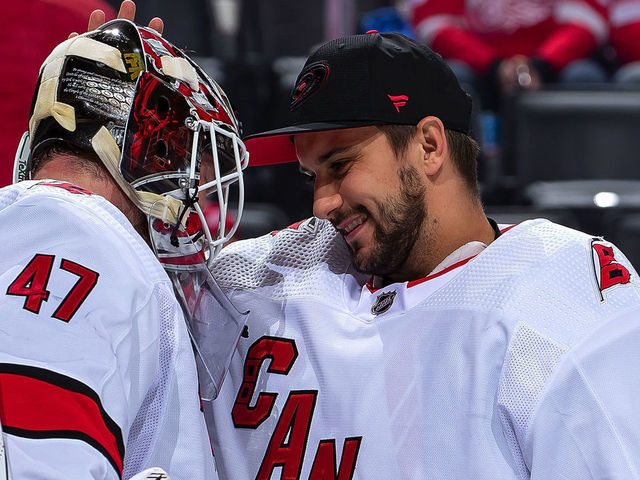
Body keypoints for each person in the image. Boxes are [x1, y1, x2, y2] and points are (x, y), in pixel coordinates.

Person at [202, 31, 640, 478]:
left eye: (340, 166)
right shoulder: (273, 268)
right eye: (312, 175)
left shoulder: (558, 291)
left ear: (429, 146)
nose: (321, 203)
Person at [0, 17, 248, 479]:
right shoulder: (77, 240)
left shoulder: (44, 231)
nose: (193, 199)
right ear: (149, 151)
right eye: (191, 165)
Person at [409, 0, 609, 110]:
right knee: (452, 76)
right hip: (481, 68)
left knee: (584, 76)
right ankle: (463, 175)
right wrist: (494, 66)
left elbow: (587, 21)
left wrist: (541, 64)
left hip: (551, 65)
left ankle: (581, 171)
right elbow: (435, 24)